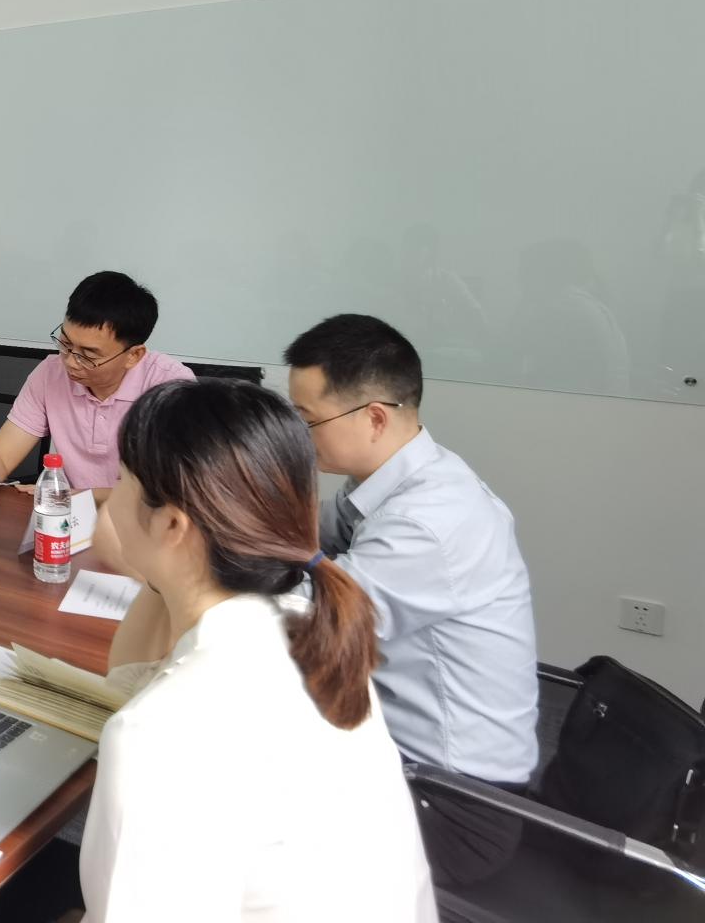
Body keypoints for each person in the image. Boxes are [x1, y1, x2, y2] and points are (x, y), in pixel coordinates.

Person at [78, 378, 435, 921]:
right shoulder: (306, 626)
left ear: (172, 523)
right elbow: (130, 678)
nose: (110, 497)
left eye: (122, 480)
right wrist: (157, 568)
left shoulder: (155, 736)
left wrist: (151, 557)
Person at [285, 314, 538, 884]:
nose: (300, 435)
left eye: (308, 420)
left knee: (228, 792)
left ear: (374, 417)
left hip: (452, 807)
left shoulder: (429, 521)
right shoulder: (395, 481)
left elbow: (310, 621)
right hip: (403, 757)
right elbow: (310, 547)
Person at [0, 271, 192, 497]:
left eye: (88, 355)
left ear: (133, 355)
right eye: (65, 343)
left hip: (137, 517)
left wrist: (77, 495)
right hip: (67, 510)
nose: (70, 362)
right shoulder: (50, 373)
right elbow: (1, 456)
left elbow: (168, 490)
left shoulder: (171, 388)